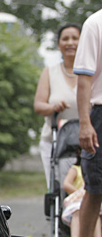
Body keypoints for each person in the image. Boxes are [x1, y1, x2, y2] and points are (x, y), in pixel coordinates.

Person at [73, 8, 102, 237]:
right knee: (95, 189)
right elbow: (84, 81)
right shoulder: (95, 23)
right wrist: (84, 123)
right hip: (100, 113)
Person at [33, 23, 81, 183]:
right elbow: (39, 105)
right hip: (54, 141)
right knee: (57, 185)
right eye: (65, 39)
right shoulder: (50, 72)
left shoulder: (91, 73)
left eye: (75, 38)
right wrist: (53, 107)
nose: (70, 43)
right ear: (59, 44)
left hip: (86, 141)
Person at [60, 160, 102, 237]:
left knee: (94, 215)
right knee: (78, 212)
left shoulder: (97, 170)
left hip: (93, 202)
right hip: (77, 202)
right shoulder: (75, 169)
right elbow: (66, 184)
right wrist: (79, 193)